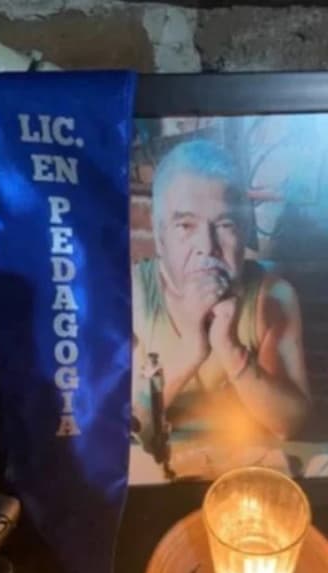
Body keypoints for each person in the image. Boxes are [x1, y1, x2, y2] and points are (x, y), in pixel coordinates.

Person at [132, 140, 310, 472]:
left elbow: (289, 425)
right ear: (159, 238)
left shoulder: (273, 297)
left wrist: (229, 350)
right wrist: (190, 351)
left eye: (225, 226)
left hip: (253, 474)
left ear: (244, 234)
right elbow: (120, 429)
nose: (207, 247)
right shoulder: (134, 296)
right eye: (186, 226)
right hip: (162, 472)